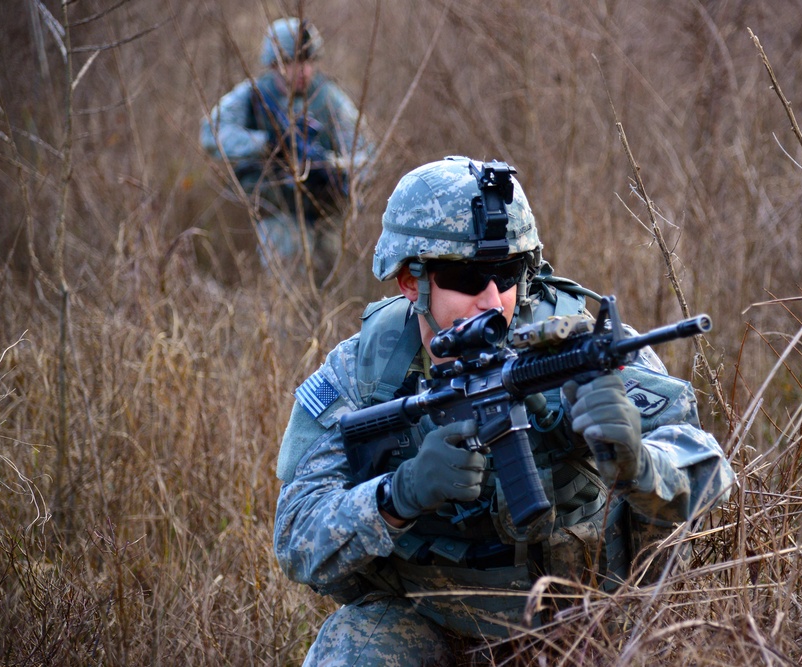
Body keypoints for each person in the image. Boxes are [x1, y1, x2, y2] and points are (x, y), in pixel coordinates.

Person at [273, 156, 735, 665]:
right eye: (467, 278)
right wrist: (398, 495)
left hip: (588, 620)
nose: (492, 300)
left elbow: (712, 469)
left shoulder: (578, 348)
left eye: (506, 273)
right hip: (433, 623)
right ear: (411, 280)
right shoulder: (364, 373)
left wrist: (639, 464)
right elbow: (296, 535)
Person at [200, 17, 375, 265]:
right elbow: (211, 132)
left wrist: (332, 166)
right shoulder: (254, 94)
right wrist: (265, 143)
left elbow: (365, 152)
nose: (303, 70)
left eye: (308, 61)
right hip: (277, 209)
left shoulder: (329, 98)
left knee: (332, 278)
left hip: (325, 211)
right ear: (274, 64)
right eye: (293, 62)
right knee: (287, 274)